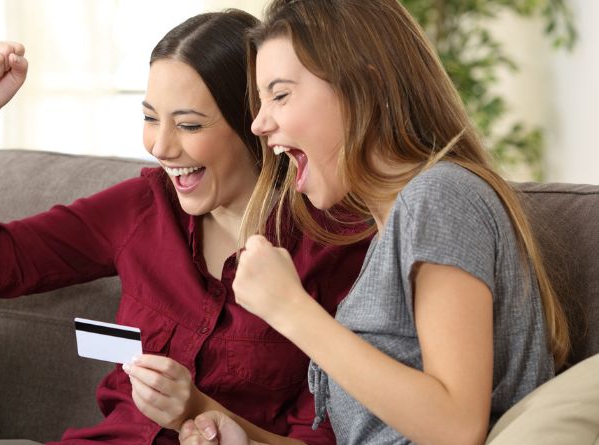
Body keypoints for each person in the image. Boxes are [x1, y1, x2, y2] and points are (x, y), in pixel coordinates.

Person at [0, 9, 369, 445]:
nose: (160, 146)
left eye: (189, 124)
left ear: (255, 125)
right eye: (150, 117)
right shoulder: (144, 207)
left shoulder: (336, 248)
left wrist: (198, 409)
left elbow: (330, 436)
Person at [179, 0, 570, 444]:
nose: (258, 123)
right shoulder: (391, 228)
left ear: (365, 86)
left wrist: (290, 309)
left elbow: (457, 427)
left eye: (281, 94)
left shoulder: (440, 196)